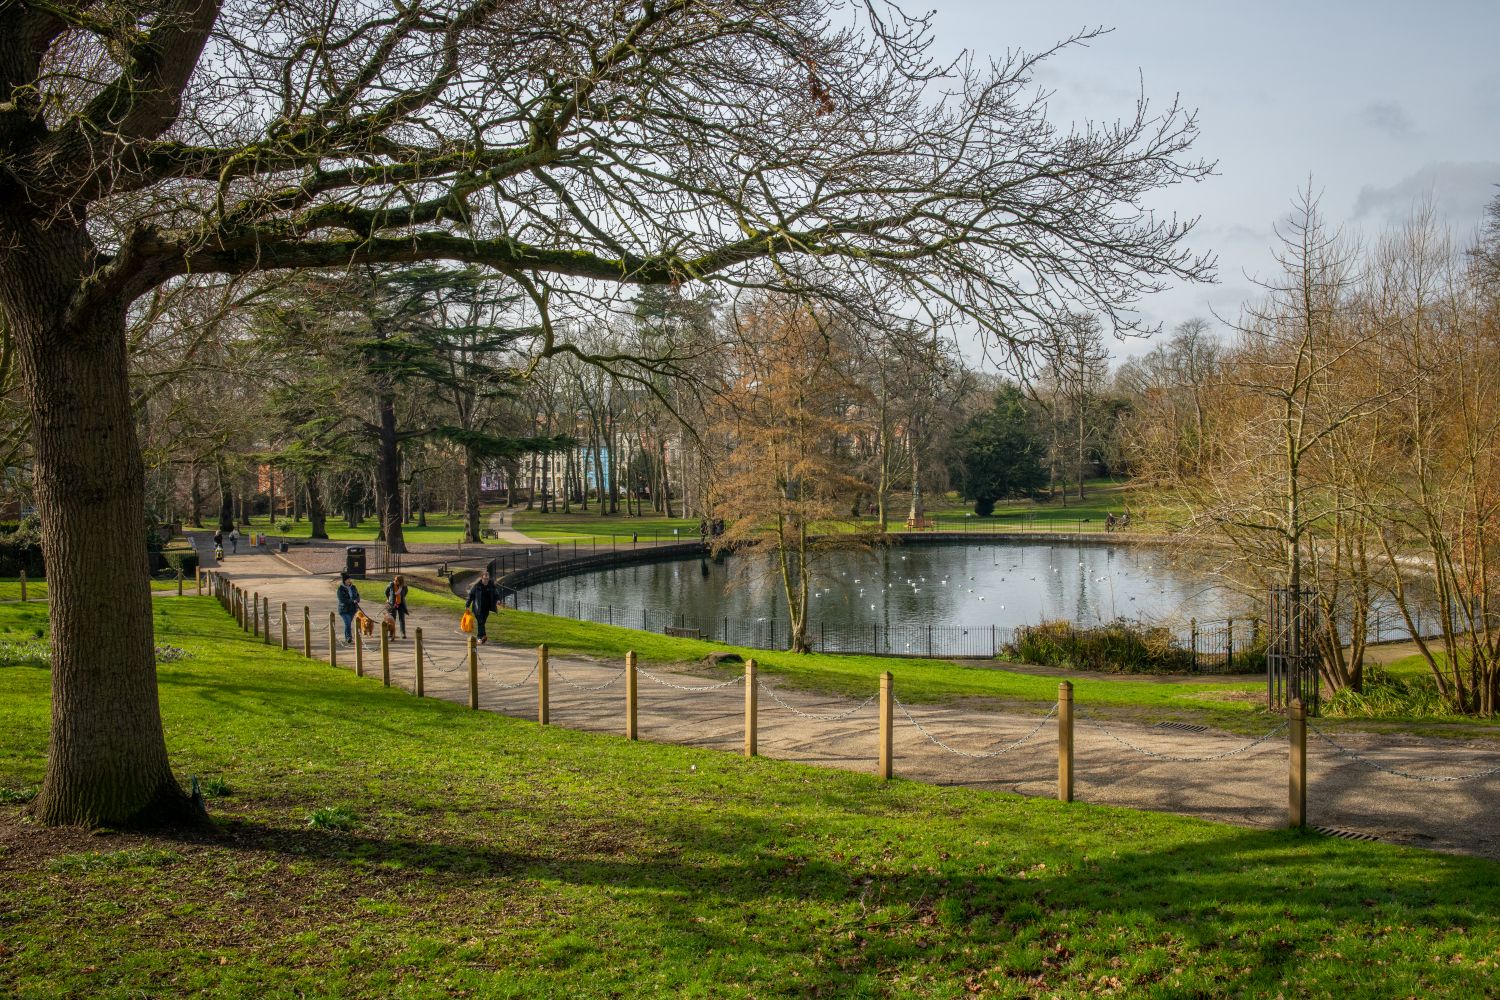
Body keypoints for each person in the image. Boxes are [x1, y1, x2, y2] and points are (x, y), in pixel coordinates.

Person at [465, 570, 499, 645]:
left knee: (483, 622)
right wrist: (467, 605)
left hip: (486, 608)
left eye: (487, 578)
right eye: (485, 578)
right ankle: (480, 637)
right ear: (482, 578)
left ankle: (482, 636)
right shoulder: (477, 586)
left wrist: (497, 600)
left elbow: (496, 595)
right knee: (480, 622)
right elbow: (471, 596)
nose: (486, 580)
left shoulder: (491, 585)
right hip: (478, 608)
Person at [336, 572, 361, 646]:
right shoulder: (340, 589)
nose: (349, 581)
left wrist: (357, 599)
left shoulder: (353, 587)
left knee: (348, 623)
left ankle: (347, 637)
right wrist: (352, 601)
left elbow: (357, 595)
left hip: (352, 609)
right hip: (344, 609)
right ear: (344, 581)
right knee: (347, 622)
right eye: (348, 580)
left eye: (350, 579)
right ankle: (348, 637)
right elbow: (342, 599)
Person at [384, 574, 410, 640]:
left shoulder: (404, 587)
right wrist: (388, 599)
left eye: (396, 580)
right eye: (394, 579)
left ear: (400, 581)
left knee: (402, 619)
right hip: (392, 604)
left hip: (401, 604)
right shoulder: (391, 585)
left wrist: (401, 598)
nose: (394, 581)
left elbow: (405, 593)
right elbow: (386, 592)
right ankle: (391, 633)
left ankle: (403, 633)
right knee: (392, 619)